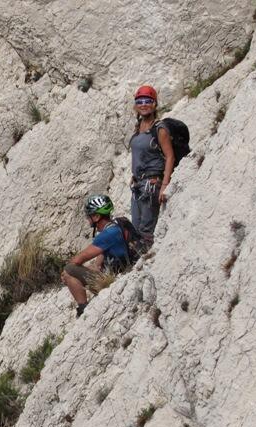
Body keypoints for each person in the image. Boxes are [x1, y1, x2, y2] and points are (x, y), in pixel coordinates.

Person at [61, 195, 132, 318]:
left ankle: (83, 309)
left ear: (96, 217)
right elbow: (97, 264)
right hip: (122, 274)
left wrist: (66, 273)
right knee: (71, 271)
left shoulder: (107, 235)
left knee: (68, 270)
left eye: (89, 216)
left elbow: (78, 260)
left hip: (116, 283)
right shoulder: (117, 225)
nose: (88, 220)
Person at [129, 85, 175, 246]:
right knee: (135, 229)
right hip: (138, 184)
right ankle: (138, 256)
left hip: (152, 184)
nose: (143, 104)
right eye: (139, 101)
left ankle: (145, 257)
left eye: (147, 101)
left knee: (145, 230)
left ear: (154, 104)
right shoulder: (138, 128)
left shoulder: (159, 129)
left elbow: (170, 156)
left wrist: (165, 184)